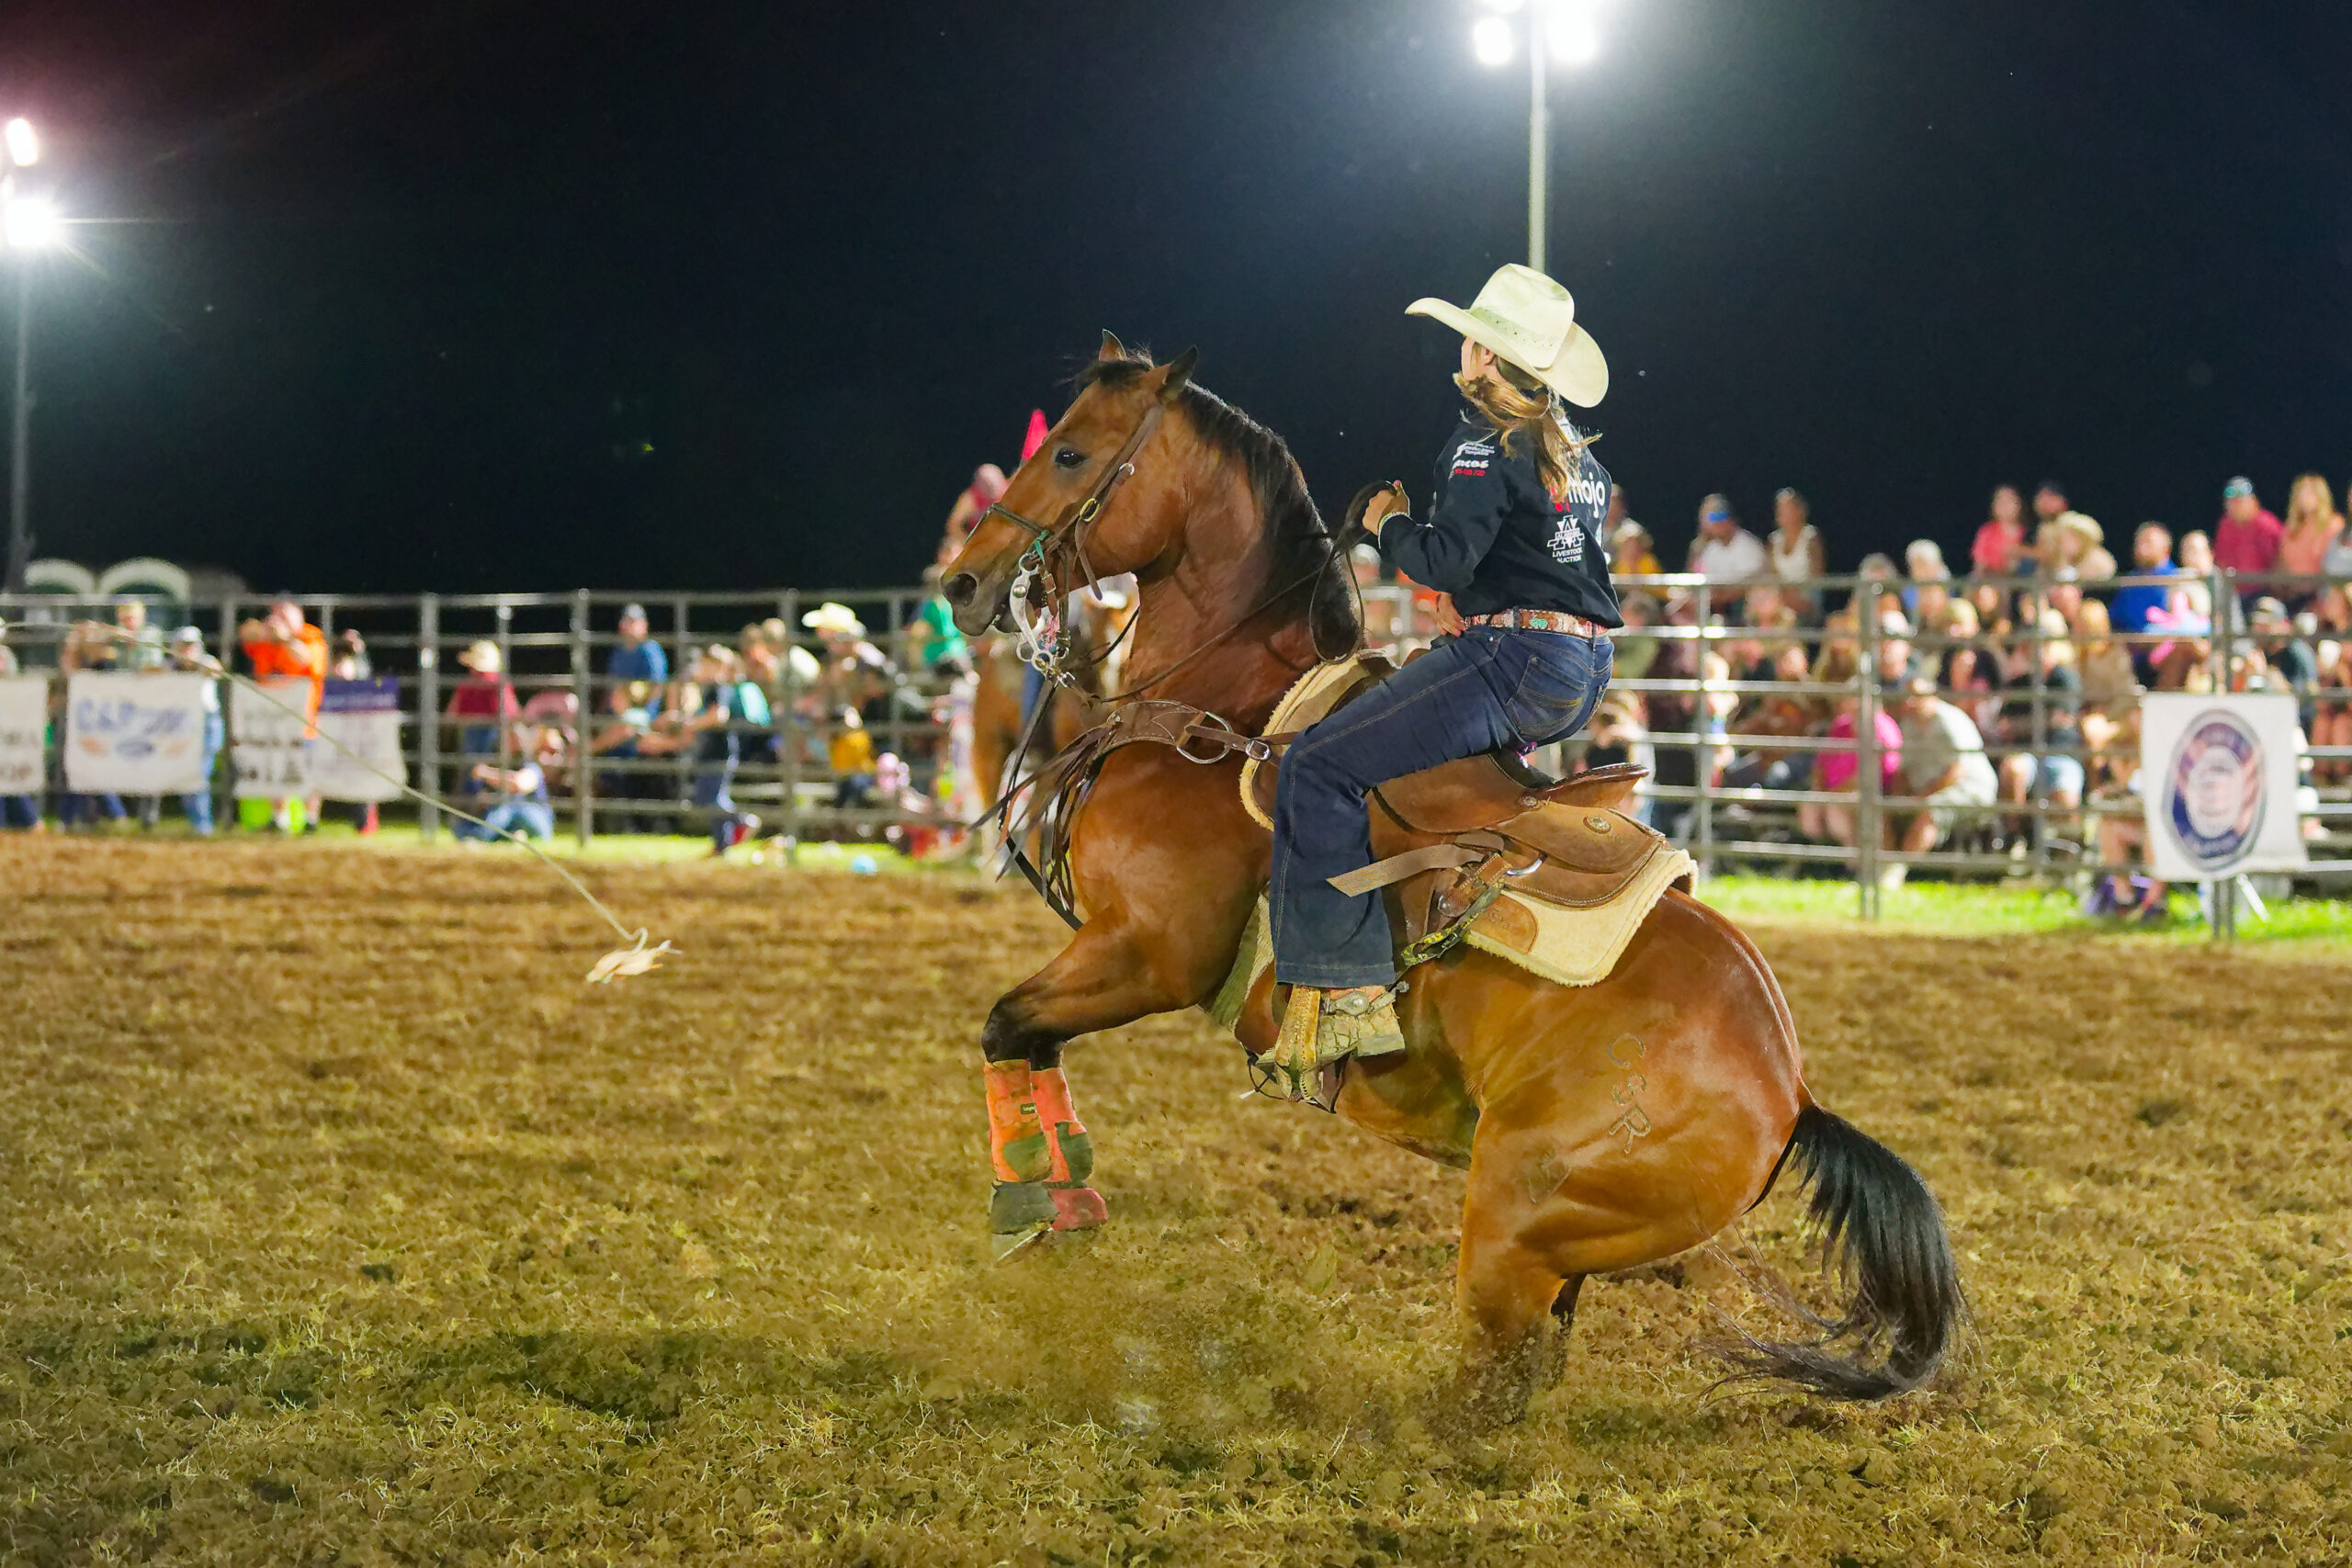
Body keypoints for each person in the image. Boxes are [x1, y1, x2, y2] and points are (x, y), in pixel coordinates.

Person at [1271, 263, 1618, 1077]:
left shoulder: (1481, 443)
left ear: (1490, 359)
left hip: (1514, 661)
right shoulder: (1576, 456)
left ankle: (1346, 992)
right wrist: (1486, 597)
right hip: (1577, 668)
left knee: (1317, 766)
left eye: (1474, 339)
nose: (1463, 348)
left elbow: (1445, 555)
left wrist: (1391, 525)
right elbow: (1551, 563)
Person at [1889, 675, 1997, 883]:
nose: (1909, 702)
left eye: (1915, 696)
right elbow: (1903, 770)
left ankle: (1898, 871)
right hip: (1928, 789)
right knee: (1886, 809)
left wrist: (1921, 797)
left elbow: (1957, 770)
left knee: (1931, 809)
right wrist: (1897, 798)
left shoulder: (1949, 720)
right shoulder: (1910, 726)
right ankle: (1879, 866)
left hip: (1970, 789)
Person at [2277, 473, 2342, 603]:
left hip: (2321, 596)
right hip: (2292, 594)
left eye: (2309, 493)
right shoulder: (2291, 528)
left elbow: (2334, 565)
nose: (2304, 497)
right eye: (2300, 493)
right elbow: (2283, 563)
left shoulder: (2333, 526)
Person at [1765, 488, 1826, 618]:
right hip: (1781, 593)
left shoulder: (1811, 537)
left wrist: (1794, 592)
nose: (1785, 514)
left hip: (1807, 594)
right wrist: (1784, 591)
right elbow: (1771, 573)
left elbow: (1817, 573)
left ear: (1800, 510)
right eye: (1781, 510)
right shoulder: (1774, 540)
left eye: (1789, 509)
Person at [2212, 476, 2284, 583]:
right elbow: (2220, 561)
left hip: (2262, 589)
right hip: (2232, 590)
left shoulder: (2266, 525)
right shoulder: (2225, 526)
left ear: (2253, 501)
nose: (2236, 506)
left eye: (2240, 501)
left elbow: (2278, 562)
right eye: (2232, 502)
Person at [1687, 493, 1769, 587]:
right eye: (1713, 518)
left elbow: (1748, 586)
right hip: (1714, 599)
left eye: (1721, 516)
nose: (1718, 523)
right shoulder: (1710, 549)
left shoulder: (1748, 545)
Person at [1971, 485, 2030, 577]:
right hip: (1992, 581)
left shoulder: (2029, 533)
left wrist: (2020, 552)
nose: (2005, 505)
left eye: (2009, 501)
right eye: (2000, 501)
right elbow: (1980, 565)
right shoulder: (1987, 532)